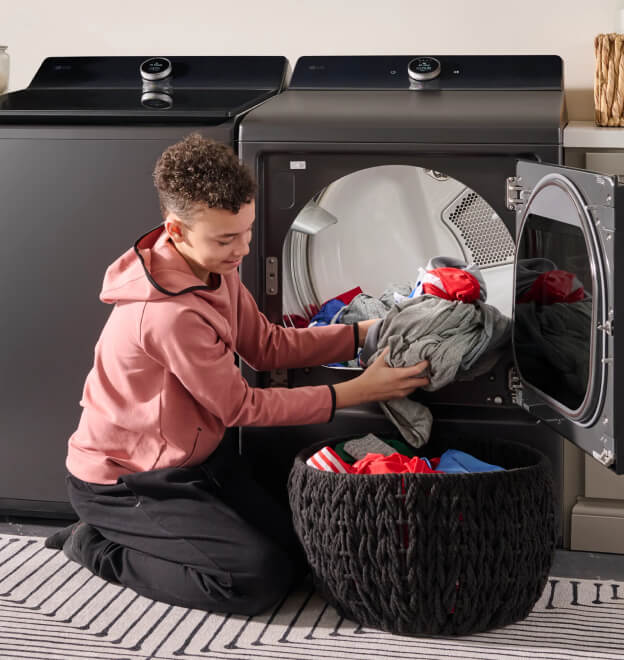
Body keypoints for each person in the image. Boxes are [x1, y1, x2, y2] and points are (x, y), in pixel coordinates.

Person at [44, 133, 429, 616]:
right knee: (254, 580)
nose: (242, 249)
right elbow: (239, 406)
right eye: (226, 239)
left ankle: (156, 534)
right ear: (176, 231)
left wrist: (361, 333)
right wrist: (356, 391)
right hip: (129, 482)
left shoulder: (213, 269)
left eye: (245, 232)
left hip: (198, 461)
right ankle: (95, 546)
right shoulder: (168, 315)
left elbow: (265, 345)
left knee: (303, 552)